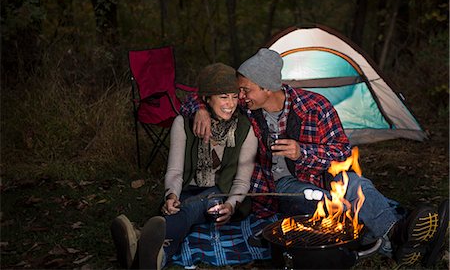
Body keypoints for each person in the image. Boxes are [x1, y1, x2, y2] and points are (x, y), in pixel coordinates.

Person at [181, 48, 448, 267]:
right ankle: (399, 242)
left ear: (267, 88)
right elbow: (195, 101)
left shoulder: (315, 107)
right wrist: (202, 109)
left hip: (321, 174)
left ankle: (398, 235)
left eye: (245, 90)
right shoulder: (247, 110)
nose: (239, 96)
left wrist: (303, 153)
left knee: (358, 186)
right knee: (323, 203)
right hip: (282, 186)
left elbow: (341, 151)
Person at [111, 63, 258, 270]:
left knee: (194, 206)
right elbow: (175, 171)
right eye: (224, 97)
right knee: (179, 209)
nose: (231, 104)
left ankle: (143, 241)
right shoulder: (183, 123)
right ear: (207, 99)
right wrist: (171, 196)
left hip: (222, 194)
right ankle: (151, 257)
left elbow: (242, 180)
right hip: (189, 190)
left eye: (234, 97)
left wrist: (232, 204)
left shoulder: (244, 129)